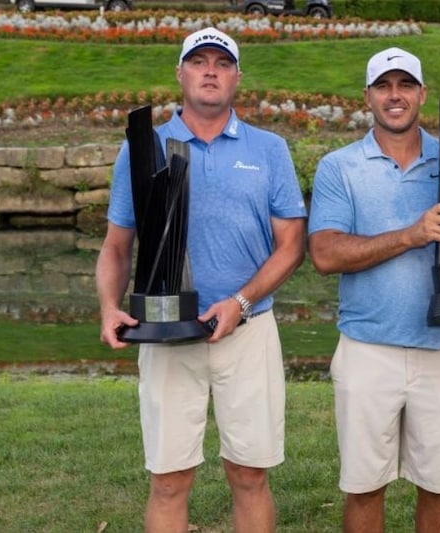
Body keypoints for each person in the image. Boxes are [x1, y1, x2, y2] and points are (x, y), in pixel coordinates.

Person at [96, 27, 307, 532]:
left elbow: (292, 246)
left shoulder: (269, 148)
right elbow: (116, 246)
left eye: (221, 62)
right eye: (198, 61)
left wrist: (240, 300)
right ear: (180, 73)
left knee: (250, 474)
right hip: (167, 332)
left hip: (248, 329)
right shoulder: (144, 148)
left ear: (237, 77)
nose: (210, 70)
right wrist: (108, 306)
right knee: (169, 479)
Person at [307, 47, 440, 532]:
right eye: (384, 86)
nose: (394, 95)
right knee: (365, 486)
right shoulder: (339, 167)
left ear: (422, 94)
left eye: (405, 85)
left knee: (438, 484)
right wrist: (411, 234)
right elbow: (325, 254)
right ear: (367, 96)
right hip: (368, 349)